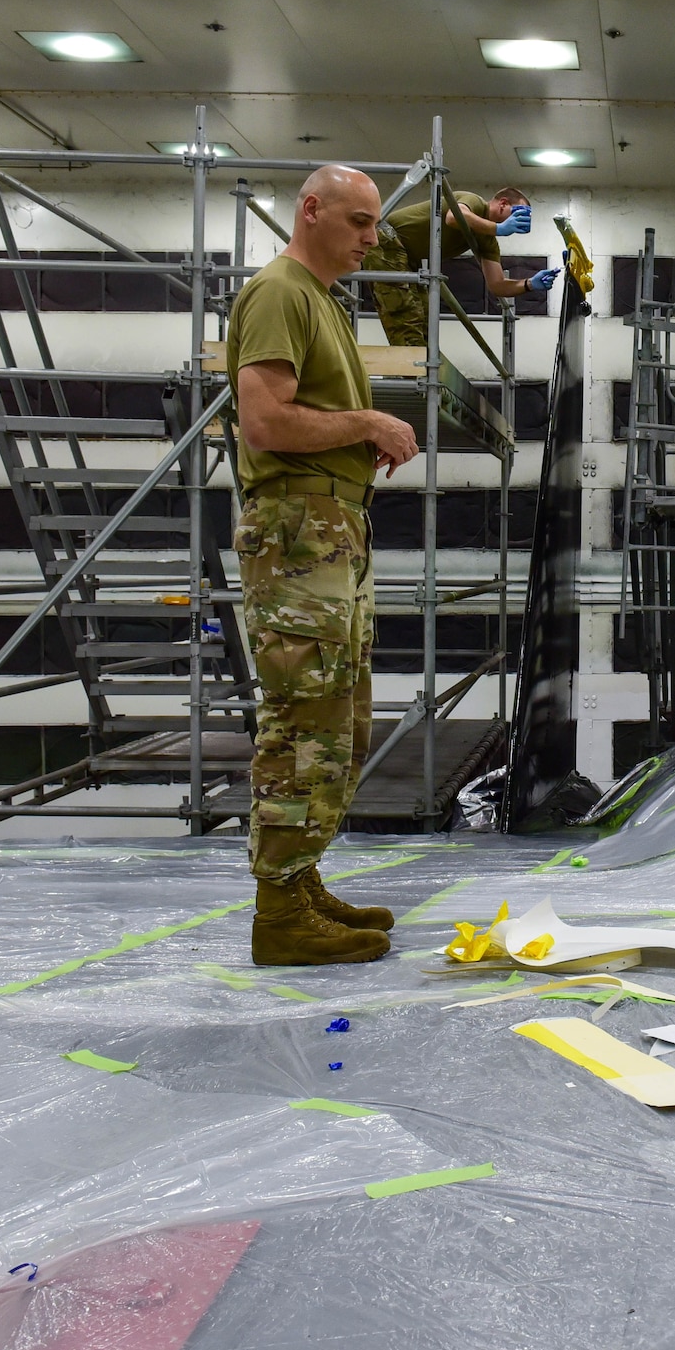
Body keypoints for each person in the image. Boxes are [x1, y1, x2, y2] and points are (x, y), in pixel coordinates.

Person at [228, 164, 422, 966]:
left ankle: (300, 878)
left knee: (340, 719)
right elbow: (265, 420)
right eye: (360, 221)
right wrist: (369, 419)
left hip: (333, 525)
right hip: (299, 525)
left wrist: (356, 435)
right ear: (311, 211)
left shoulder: (321, 303)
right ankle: (279, 915)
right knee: (304, 720)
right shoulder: (280, 291)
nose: (372, 239)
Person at [360, 185, 559, 347]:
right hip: (387, 240)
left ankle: (419, 371)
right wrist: (498, 228)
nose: (521, 220)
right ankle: (410, 374)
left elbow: (497, 285)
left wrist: (530, 284)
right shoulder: (473, 200)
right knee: (403, 311)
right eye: (518, 213)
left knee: (423, 317)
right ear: (503, 204)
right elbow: (453, 217)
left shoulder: (487, 240)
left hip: (408, 259)